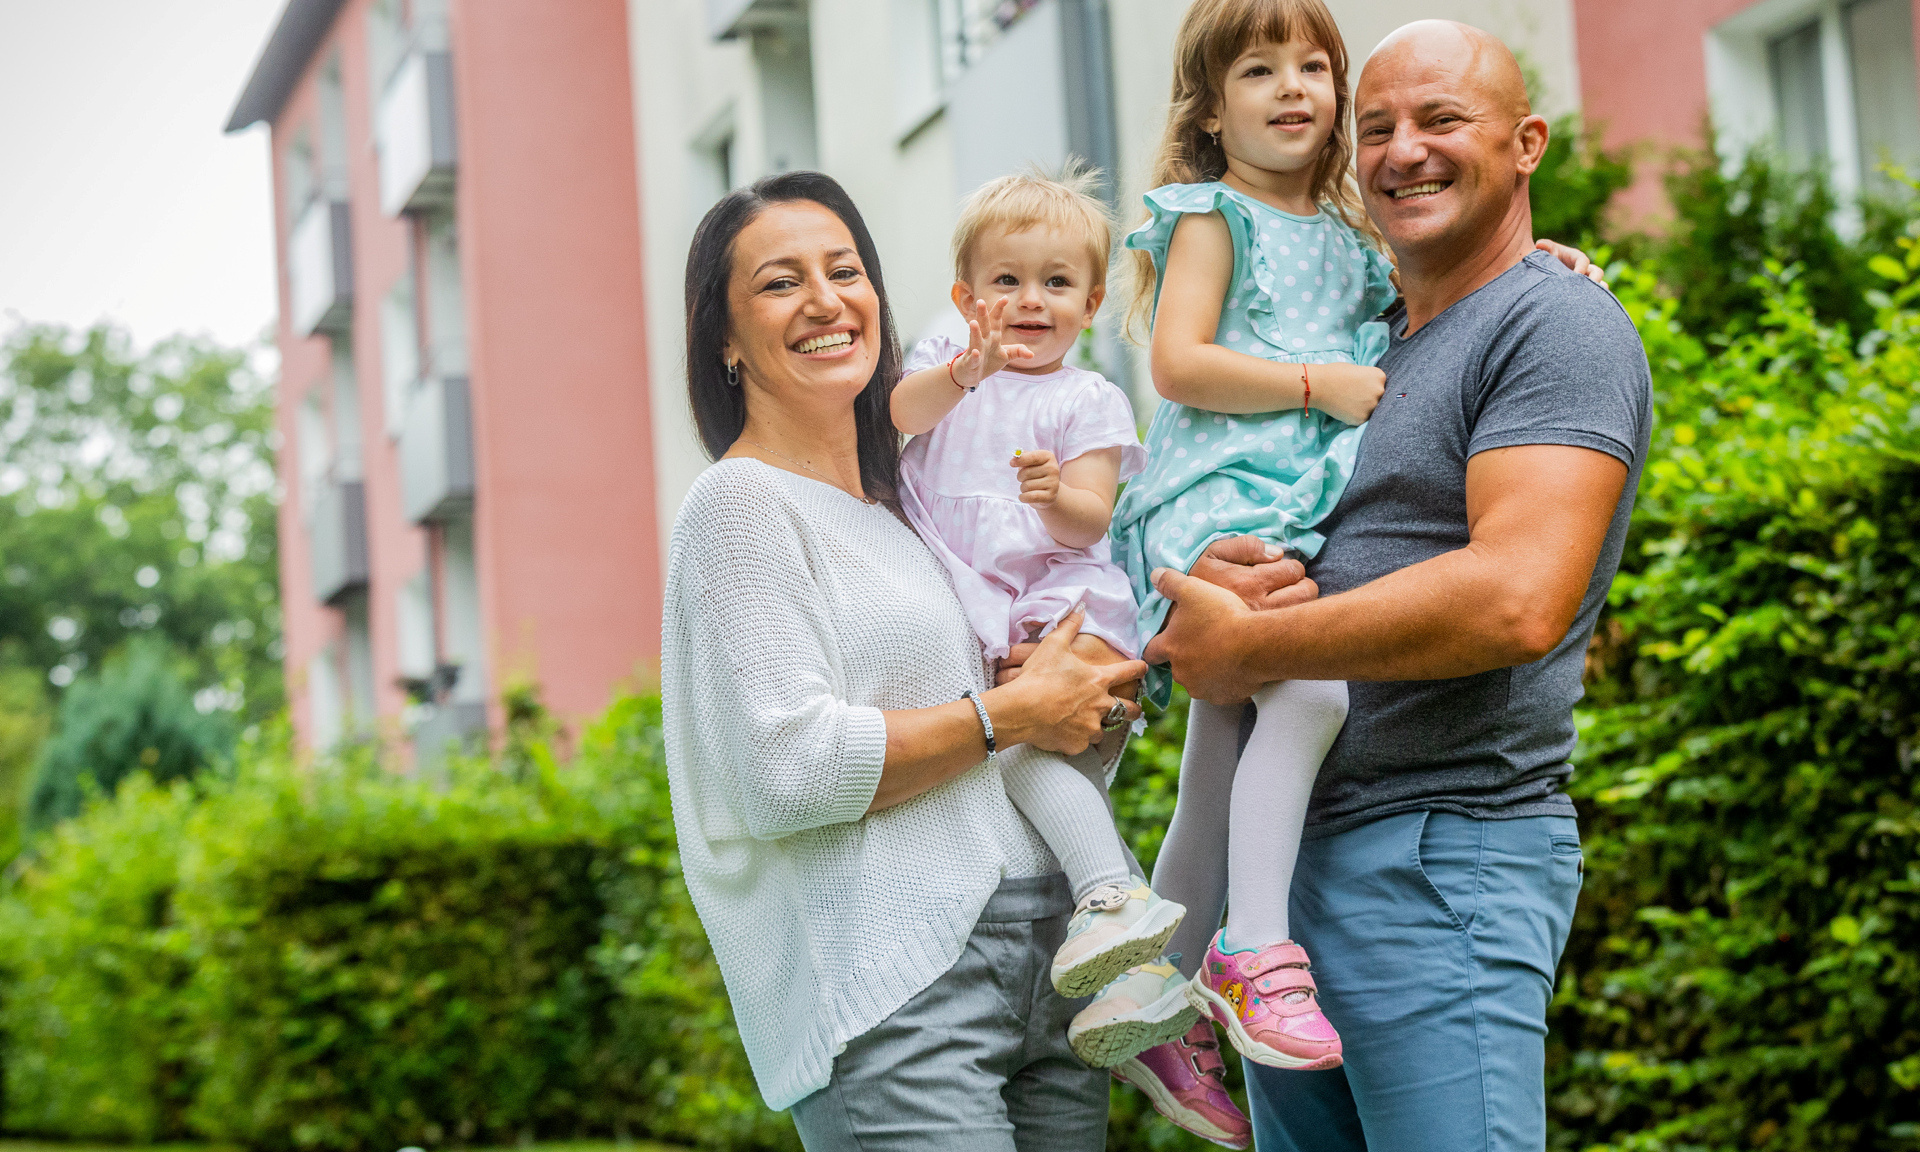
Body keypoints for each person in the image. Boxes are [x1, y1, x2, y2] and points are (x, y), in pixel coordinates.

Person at [1138, 18, 1655, 1152]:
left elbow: (1518, 596)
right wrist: (1219, 569)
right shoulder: (1366, 341)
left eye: (1442, 121)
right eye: (1376, 129)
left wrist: (1259, 645)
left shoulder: (1551, 321)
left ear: (1526, 144)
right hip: (1291, 875)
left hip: (1440, 856)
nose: (1403, 151)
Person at [661, 170, 1146, 1152]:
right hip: (901, 990)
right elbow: (787, 773)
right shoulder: (741, 507)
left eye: (844, 269)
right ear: (724, 337)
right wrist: (1007, 716)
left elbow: (1020, 730)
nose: (826, 299)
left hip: (1048, 962)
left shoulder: (912, 508)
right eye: (779, 282)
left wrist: (1088, 704)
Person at [889, 166, 1196, 1067]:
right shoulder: (949, 363)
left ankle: (1116, 898)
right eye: (1007, 282)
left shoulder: (1084, 398)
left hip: (1062, 599)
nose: (1031, 301)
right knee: (1051, 797)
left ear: (1092, 301)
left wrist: (1056, 493)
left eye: (1057, 283)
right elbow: (901, 417)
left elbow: (1090, 520)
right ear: (966, 296)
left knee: (1026, 753)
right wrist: (962, 371)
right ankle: (1147, 994)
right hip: (992, 607)